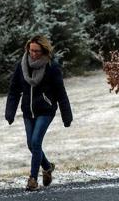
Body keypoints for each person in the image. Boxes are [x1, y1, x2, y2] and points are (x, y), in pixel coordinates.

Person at [5, 35, 73, 191]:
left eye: (36, 51)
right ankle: (48, 167)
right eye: (31, 50)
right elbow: (14, 90)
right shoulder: (22, 66)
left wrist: (66, 116)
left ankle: (33, 179)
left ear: (44, 50)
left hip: (46, 111)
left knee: (36, 142)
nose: (33, 54)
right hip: (28, 112)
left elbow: (61, 93)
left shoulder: (52, 67)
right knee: (31, 144)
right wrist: (10, 112)